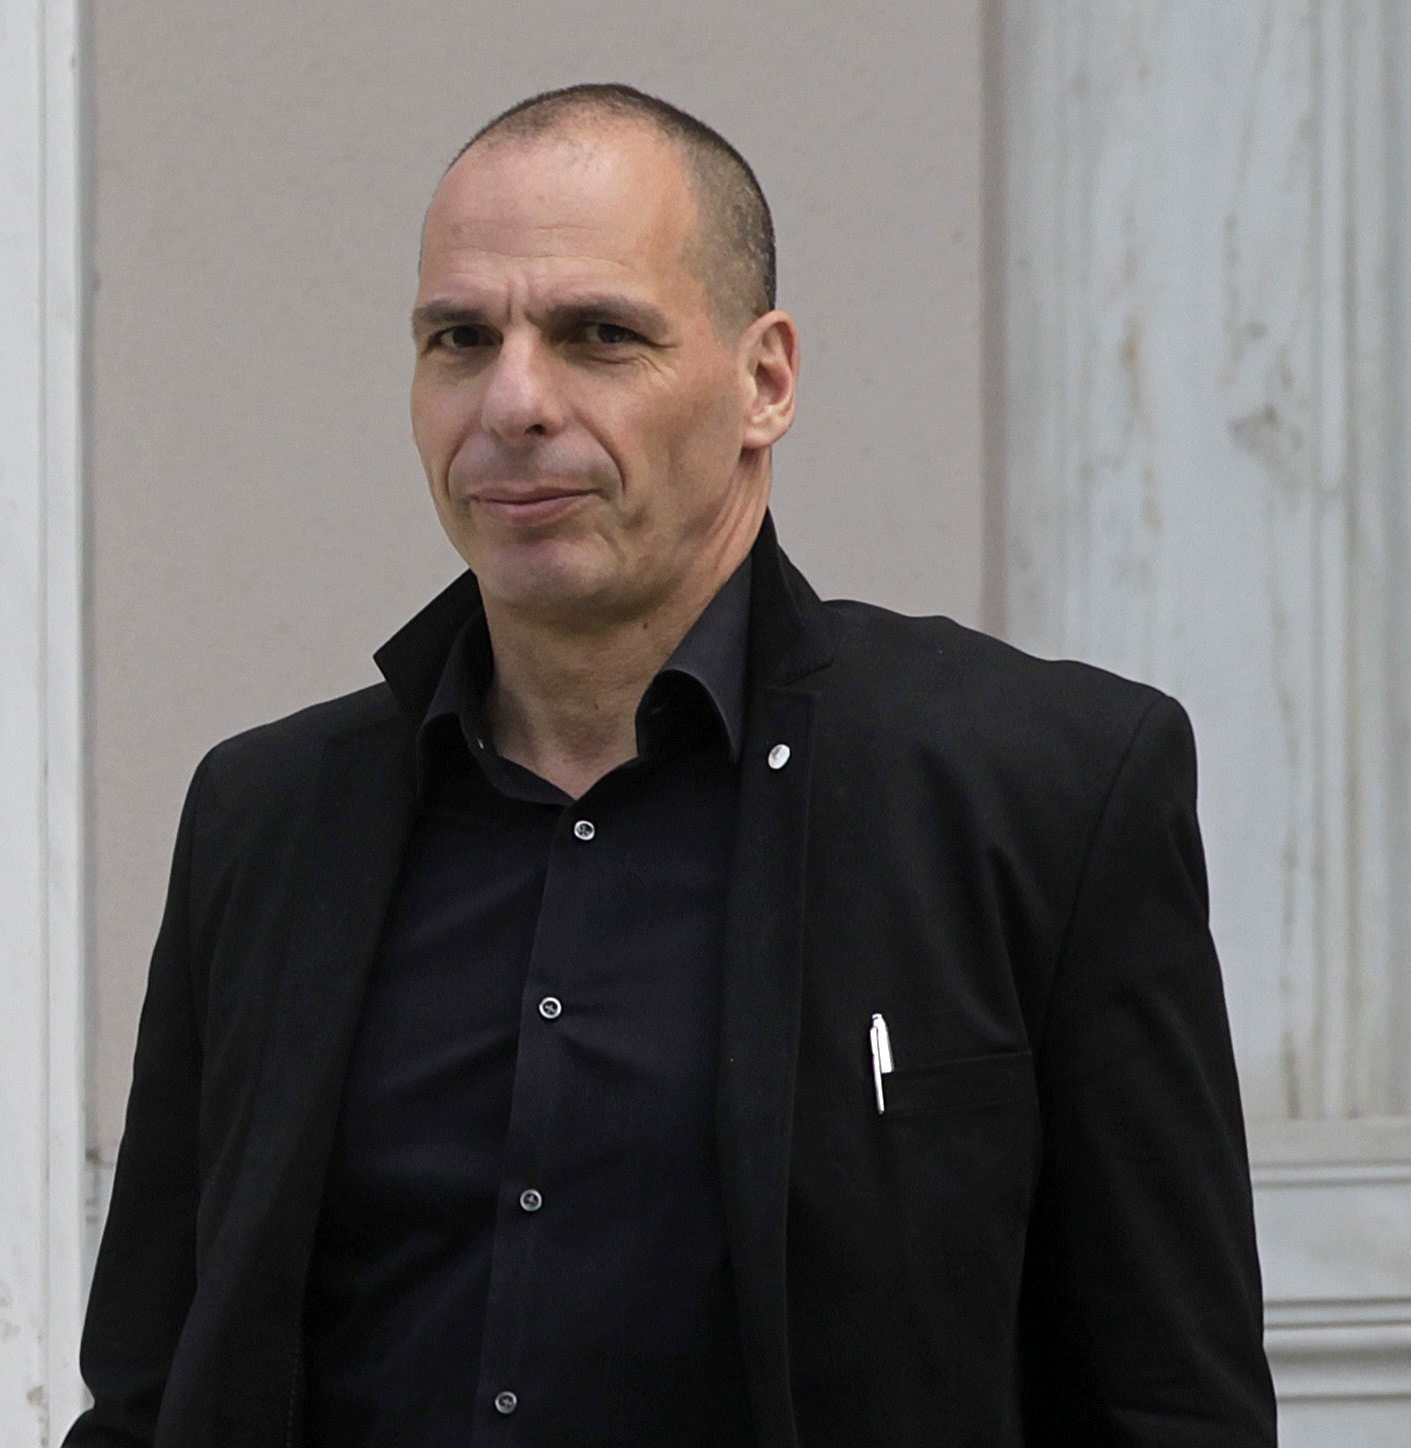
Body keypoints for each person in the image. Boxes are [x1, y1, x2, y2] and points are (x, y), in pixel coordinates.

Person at [65, 83, 1273, 1447]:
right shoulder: (268, 820)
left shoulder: (1041, 793)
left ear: (766, 381)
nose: (514, 401)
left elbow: (1172, 1407)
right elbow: (151, 1397)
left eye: (598, 335)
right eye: (460, 338)